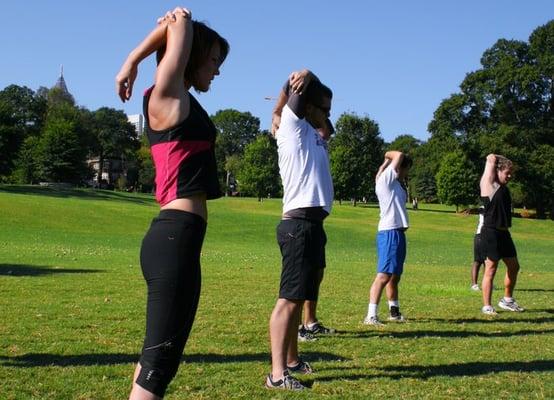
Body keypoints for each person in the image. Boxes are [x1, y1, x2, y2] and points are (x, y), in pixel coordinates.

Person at [115, 7, 229, 399]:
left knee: (155, 358)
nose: (216, 70)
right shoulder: (167, 95)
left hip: (178, 240)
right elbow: (179, 22)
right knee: (159, 364)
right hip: (174, 240)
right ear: (193, 55)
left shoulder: (176, 99)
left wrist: (140, 54)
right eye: (213, 60)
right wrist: (132, 60)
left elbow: (173, 29)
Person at [267, 69, 334, 390]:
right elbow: (294, 85)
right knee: (289, 300)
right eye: (324, 109)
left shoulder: (314, 133)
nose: (328, 117)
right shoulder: (292, 128)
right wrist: (301, 81)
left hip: (313, 226)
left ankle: (292, 359)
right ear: (306, 106)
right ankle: (277, 375)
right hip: (298, 225)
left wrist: (322, 110)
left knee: (301, 295)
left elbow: (327, 127)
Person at [364, 151, 412, 326]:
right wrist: (388, 157)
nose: (407, 173)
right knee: (383, 276)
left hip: (398, 233)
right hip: (389, 232)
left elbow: (380, 170)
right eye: (406, 169)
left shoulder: (393, 182)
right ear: (400, 167)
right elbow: (397, 154)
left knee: (394, 276)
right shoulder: (386, 181)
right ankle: (371, 315)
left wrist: (383, 164)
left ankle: (394, 312)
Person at [479, 154, 524, 315]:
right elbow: (490, 158)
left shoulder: (504, 188)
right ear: (497, 171)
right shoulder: (489, 185)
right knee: (491, 269)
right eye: (507, 172)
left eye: (511, 173)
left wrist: (507, 163)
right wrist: (499, 159)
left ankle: (507, 300)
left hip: (504, 233)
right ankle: (487, 306)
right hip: (491, 232)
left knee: (514, 266)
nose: (510, 176)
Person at [470, 206, 485, 291]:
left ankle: (486, 283)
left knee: (488, 262)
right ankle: (474, 285)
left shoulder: (495, 205)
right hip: (480, 236)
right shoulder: (483, 207)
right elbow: (480, 209)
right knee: (478, 261)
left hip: (490, 236)